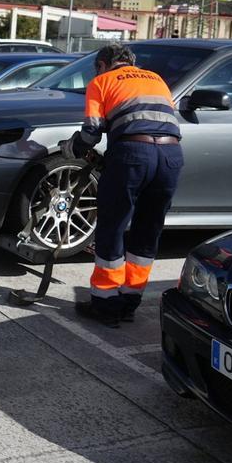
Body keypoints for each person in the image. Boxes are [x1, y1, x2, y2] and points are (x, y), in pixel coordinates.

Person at [62, 43, 183, 328]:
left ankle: (105, 303)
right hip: (171, 156)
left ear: (102, 65)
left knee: (112, 226)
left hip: (133, 154)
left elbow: (91, 131)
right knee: (147, 229)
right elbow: (154, 119)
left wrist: (72, 148)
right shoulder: (156, 79)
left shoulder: (100, 82)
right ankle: (129, 301)